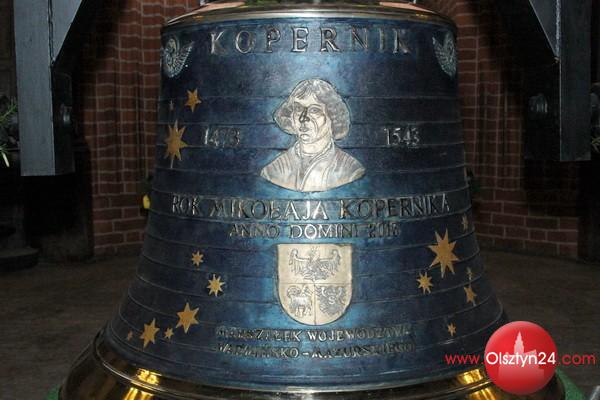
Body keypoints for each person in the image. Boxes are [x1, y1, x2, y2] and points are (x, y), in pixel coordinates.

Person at [261, 79, 365, 192]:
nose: (303, 118)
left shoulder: (351, 170)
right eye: (298, 109)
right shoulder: (274, 170)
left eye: (314, 110)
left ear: (333, 117)